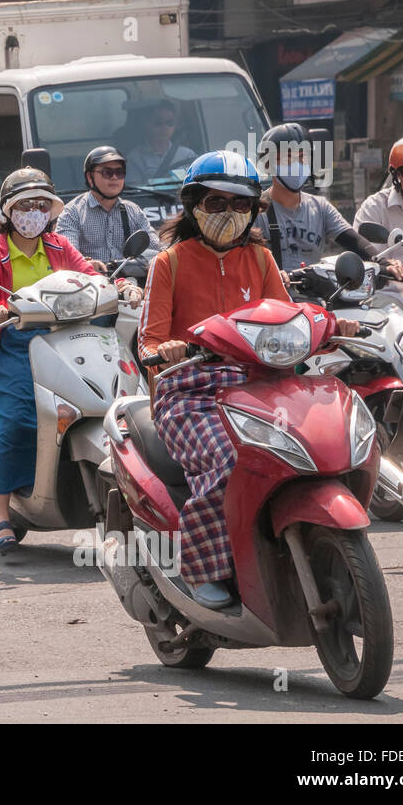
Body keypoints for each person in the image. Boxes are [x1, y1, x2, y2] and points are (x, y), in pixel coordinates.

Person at [139, 150, 359, 609]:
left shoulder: (260, 259)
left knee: (314, 446)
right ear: (194, 205)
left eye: (241, 205)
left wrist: (332, 327)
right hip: (189, 391)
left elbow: (287, 317)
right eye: (216, 204)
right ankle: (203, 568)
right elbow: (150, 341)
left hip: (260, 385)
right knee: (228, 460)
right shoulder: (169, 263)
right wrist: (167, 351)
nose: (229, 215)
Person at [0, 169, 96, 553]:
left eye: (41, 205)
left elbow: (87, 277)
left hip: (63, 342)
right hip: (12, 348)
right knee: (20, 421)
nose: (34, 212)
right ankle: (4, 513)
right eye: (26, 205)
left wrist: (120, 286)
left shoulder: (59, 247)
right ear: (8, 211)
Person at [252, 123, 403, 282]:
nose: (297, 165)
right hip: (273, 300)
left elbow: (353, 241)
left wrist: (382, 263)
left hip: (315, 298)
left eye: (302, 158)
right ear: (268, 164)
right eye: (288, 158)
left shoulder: (320, 207)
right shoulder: (256, 211)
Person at [56, 146, 160, 268]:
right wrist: (86, 264)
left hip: (131, 284)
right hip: (90, 283)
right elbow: (66, 254)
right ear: (90, 178)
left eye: (119, 172)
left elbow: (156, 249)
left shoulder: (133, 211)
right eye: (107, 172)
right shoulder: (72, 212)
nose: (114, 177)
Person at [126, 100, 195, 182]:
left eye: (170, 122)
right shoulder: (135, 158)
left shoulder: (188, 155)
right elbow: (134, 191)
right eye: (159, 122)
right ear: (146, 124)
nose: (165, 127)